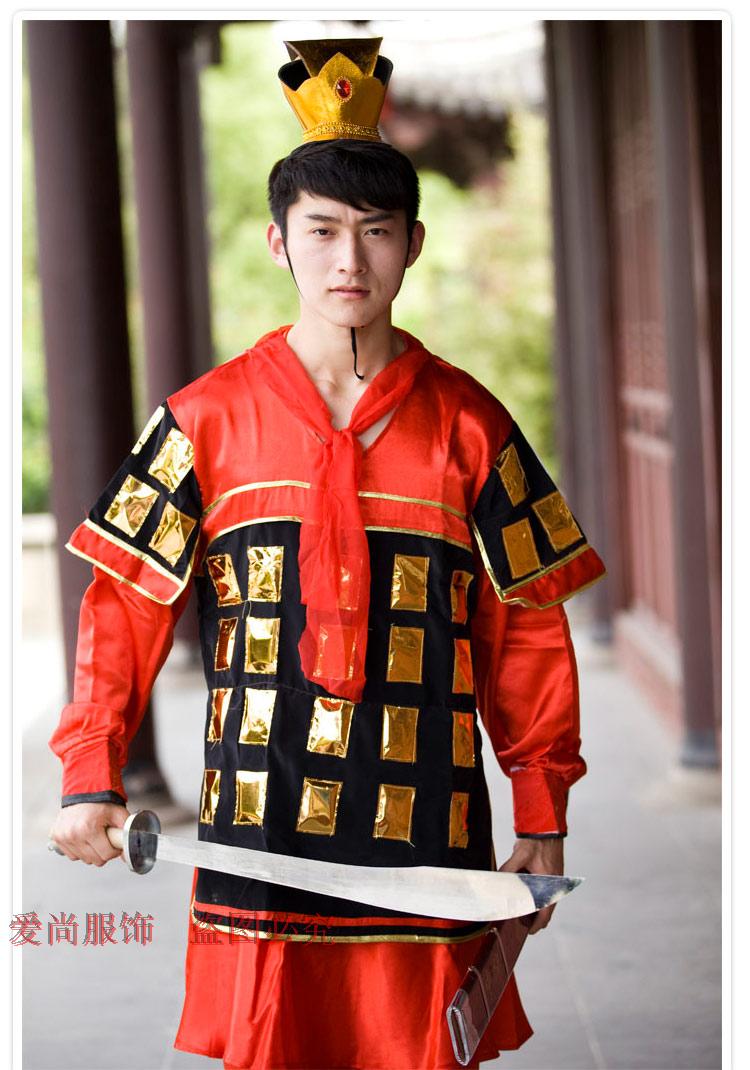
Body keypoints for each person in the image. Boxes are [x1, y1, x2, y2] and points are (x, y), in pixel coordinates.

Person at [48, 36, 605, 1070]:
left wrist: (543, 806)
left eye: (376, 231)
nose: (350, 261)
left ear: (414, 243)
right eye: (323, 230)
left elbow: (527, 632)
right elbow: (122, 606)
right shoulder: (204, 418)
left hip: (423, 814)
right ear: (278, 242)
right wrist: (92, 769)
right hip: (257, 815)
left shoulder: (470, 424)